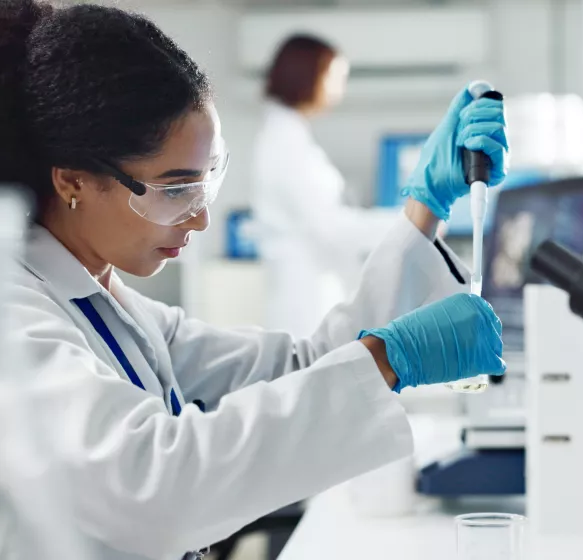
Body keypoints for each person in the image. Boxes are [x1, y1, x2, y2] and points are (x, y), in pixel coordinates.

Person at [0, 1, 509, 559]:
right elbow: (156, 491)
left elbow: (298, 365)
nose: (201, 218)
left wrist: (424, 207)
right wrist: (387, 359)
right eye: (175, 189)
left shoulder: (105, 300)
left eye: (206, 182)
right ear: (74, 181)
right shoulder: (16, 315)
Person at [251, 34, 399, 337]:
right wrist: (409, 219)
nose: (339, 89)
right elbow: (331, 228)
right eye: (334, 77)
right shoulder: (285, 142)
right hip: (304, 297)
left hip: (310, 287)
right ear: (307, 76)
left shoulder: (289, 135)